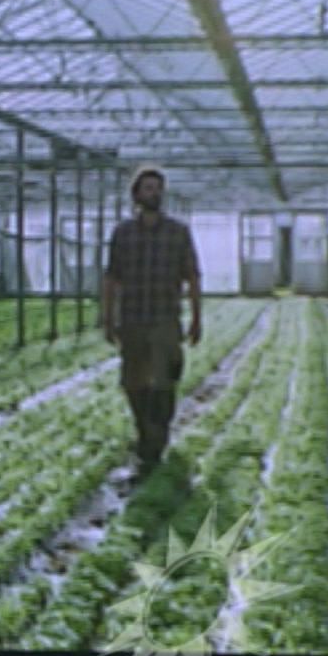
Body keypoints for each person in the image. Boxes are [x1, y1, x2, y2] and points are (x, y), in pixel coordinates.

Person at [101, 165, 203, 483]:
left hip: (165, 319)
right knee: (134, 383)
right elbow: (111, 278)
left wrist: (197, 318)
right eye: (148, 188)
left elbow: (192, 276)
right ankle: (147, 434)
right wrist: (108, 318)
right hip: (132, 319)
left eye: (158, 188)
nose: (154, 194)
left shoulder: (178, 232)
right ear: (136, 195)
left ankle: (155, 441)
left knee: (164, 382)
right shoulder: (123, 234)